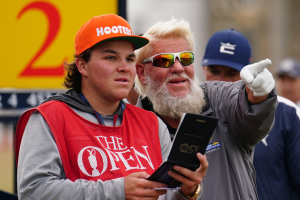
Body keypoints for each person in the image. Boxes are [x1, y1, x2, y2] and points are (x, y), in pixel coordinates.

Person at [15, 14, 208, 200]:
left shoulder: (151, 123)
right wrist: (118, 190)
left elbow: (163, 195)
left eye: (130, 59)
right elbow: (33, 191)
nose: (124, 67)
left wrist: (187, 191)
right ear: (82, 66)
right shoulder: (49, 118)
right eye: (111, 57)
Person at [134, 19, 278, 200]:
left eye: (186, 58)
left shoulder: (217, 100)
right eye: (164, 61)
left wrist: (258, 92)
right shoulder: (130, 131)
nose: (178, 67)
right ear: (141, 73)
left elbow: (246, 106)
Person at [202, 29, 300, 199]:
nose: (221, 81)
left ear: (248, 73)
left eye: (232, 73)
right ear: (203, 68)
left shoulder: (286, 113)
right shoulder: (192, 112)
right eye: (214, 71)